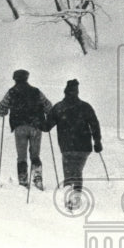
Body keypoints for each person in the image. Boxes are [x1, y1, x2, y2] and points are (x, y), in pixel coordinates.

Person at [45, 78, 102, 210]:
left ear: (65, 92)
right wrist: (97, 141)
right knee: (77, 171)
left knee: (70, 173)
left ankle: (71, 200)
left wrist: (38, 117)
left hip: (67, 146)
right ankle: (74, 199)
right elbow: (94, 124)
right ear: (77, 92)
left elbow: (46, 127)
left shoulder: (59, 107)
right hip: (83, 147)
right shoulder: (85, 107)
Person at [0, 68, 52, 189]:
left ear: (15, 79)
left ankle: (23, 180)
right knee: (35, 155)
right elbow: (48, 107)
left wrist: (6, 110)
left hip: (19, 126)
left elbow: (0, 109)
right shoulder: (36, 92)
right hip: (36, 127)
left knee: (21, 156)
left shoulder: (11, 92)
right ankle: (37, 179)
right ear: (27, 78)